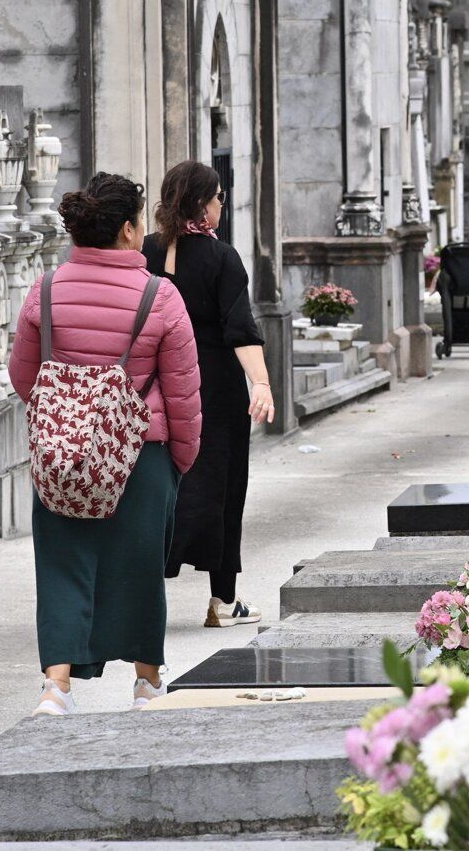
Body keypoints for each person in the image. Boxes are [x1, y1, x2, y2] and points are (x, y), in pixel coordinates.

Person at [8, 173, 201, 716]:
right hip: (141, 454)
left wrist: (70, 416)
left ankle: (56, 688)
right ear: (128, 230)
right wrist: (180, 459)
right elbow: (183, 391)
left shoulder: (46, 289)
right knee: (139, 567)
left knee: (61, 563)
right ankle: (146, 684)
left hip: (62, 452)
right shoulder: (160, 296)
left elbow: (24, 376)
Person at [141, 161, 274, 629]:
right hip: (213, 389)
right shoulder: (222, 258)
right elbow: (240, 329)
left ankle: (143, 596)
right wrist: (261, 383)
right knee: (224, 486)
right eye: (218, 197)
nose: (222, 205)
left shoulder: (145, 252)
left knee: (155, 486)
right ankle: (223, 600)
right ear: (201, 204)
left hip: (155, 386)